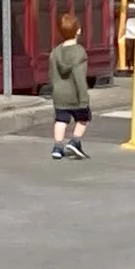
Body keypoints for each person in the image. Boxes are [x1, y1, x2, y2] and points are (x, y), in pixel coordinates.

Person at [47, 10, 92, 160]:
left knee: (61, 120)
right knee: (83, 118)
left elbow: (52, 74)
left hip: (59, 94)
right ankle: (75, 141)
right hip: (75, 94)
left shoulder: (55, 52)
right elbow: (79, 77)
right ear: (78, 31)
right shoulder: (80, 53)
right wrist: (84, 98)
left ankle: (57, 147)